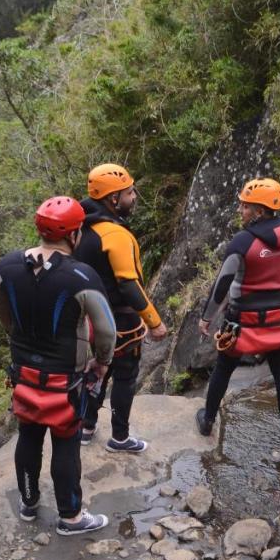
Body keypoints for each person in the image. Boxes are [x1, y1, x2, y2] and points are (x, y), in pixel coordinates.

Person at [0, 196, 117, 535]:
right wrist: (102, 363)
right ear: (74, 234)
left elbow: (5, 316)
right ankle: (71, 517)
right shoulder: (82, 276)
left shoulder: (5, 267)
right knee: (66, 441)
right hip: (66, 377)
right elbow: (106, 331)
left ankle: (29, 504)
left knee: (29, 435)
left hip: (23, 371)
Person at [195, 178, 280, 453]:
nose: (240, 210)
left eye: (245, 206)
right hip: (276, 320)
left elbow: (222, 283)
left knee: (224, 368)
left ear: (259, 211)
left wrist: (206, 317)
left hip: (241, 322)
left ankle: (207, 420)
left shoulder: (243, 241)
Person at [73, 163, 168, 453]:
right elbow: (128, 284)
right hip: (122, 323)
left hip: (93, 319)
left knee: (99, 370)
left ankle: (86, 427)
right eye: (129, 193)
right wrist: (153, 321)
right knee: (125, 377)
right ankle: (120, 437)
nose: (135, 196)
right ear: (113, 199)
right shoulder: (115, 235)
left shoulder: (81, 228)